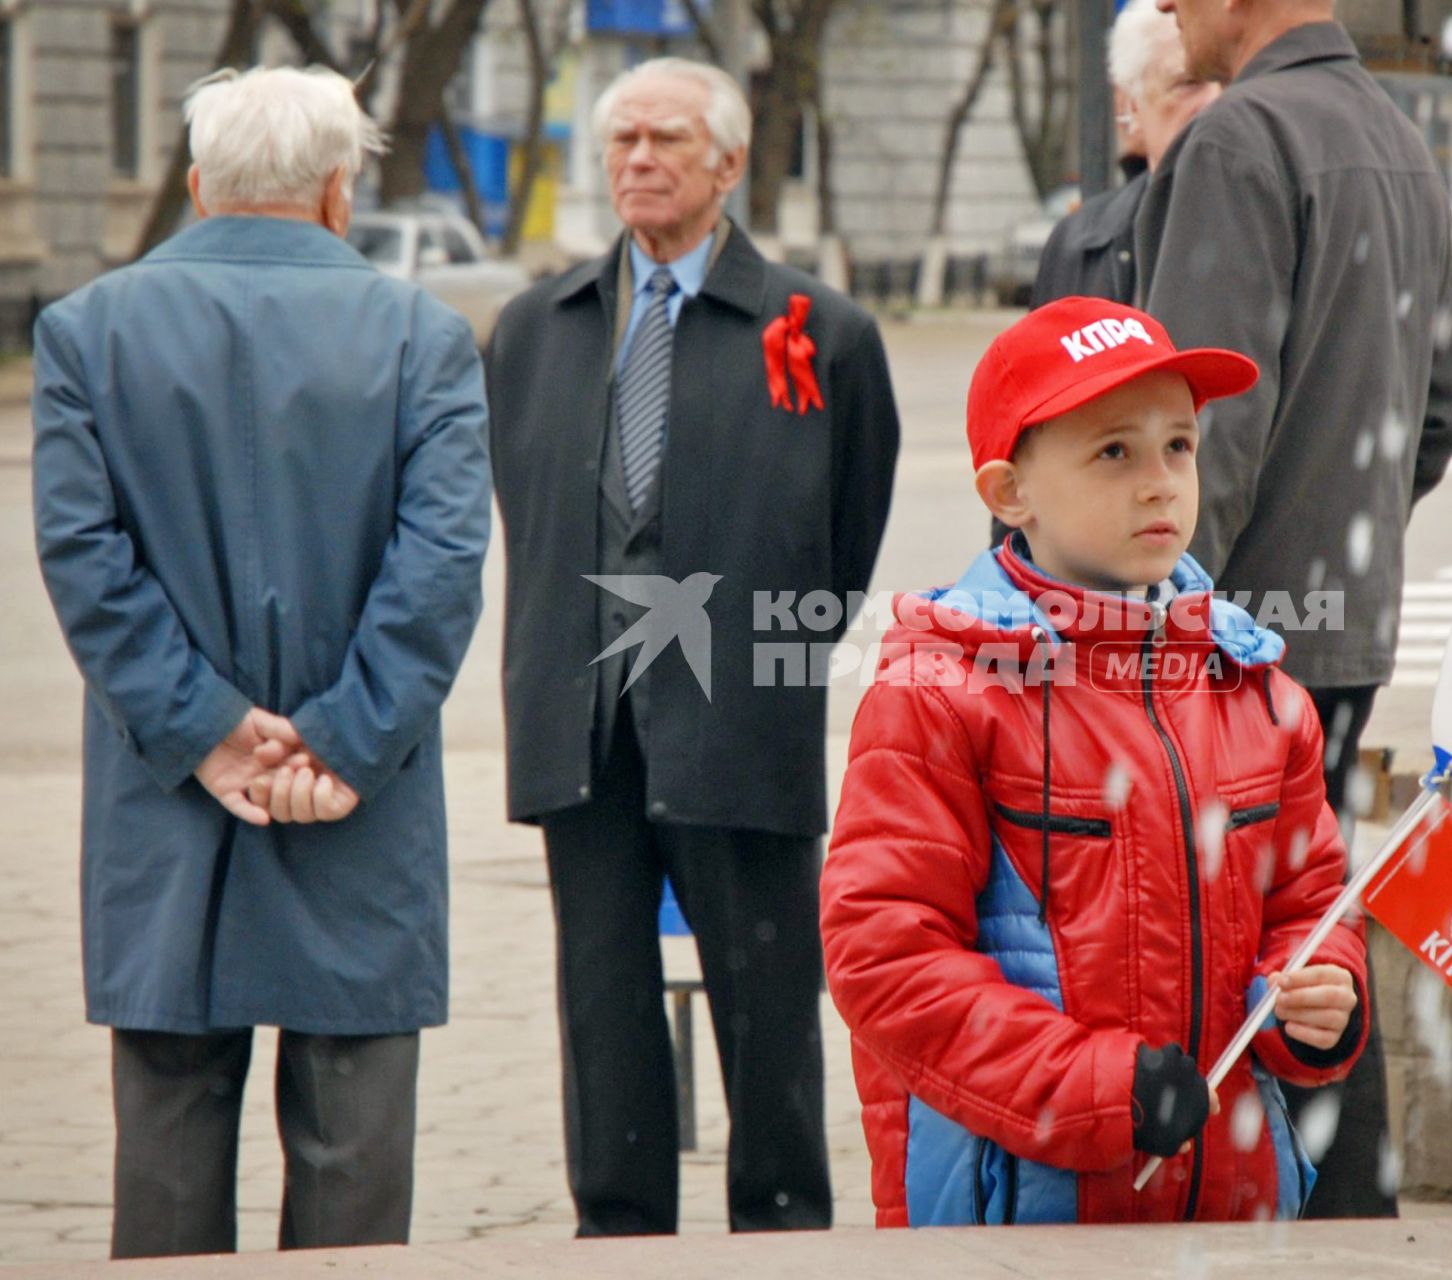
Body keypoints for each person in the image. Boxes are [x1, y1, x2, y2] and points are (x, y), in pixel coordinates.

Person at [31, 66, 491, 1258]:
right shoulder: (425, 339)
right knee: (352, 1136)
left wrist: (207, 727)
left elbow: (84, 559)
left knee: (169, 1128)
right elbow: (438, 567)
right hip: (358, 790)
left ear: (196, 185)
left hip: (167, 786)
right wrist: (339, 734)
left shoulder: (85, 333)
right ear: (341, 191)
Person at [821, 298, 1369, 1226]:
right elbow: (885, 955)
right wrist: (1094, 1090)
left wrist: (1322, 1001)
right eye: (1114, 452)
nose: (1160, 483)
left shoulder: (1255, 689)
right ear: (1009, 493)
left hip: (1231, 1206)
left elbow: (1311, 904)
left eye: (1179, 447)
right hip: (1020, 1216)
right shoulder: (944, 690)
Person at [485, 58, 900, 1236]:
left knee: (768, 1004)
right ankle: (619, 1231)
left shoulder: (826, 334)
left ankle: (779, 1228)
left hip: (739, 727)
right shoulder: (536, 329)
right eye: (620, 142)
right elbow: (534, 509)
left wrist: (769, 656)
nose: (639, 162)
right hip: (585, 727)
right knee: (603, 1005)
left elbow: (847, 536)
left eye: (667, 140)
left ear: (726, 164)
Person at [1135, 0, 1452, 1219]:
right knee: (1312, 914)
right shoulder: (1398, 136)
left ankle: (1282, 1200)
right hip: (1340, 622)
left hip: (1228, 637)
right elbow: (1433, 417)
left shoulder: (1237, 140)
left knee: (1224, 926)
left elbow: (1191, 444)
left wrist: (1158, 625)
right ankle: (1349, 1204)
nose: (1166, 8)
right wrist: (1340, 542)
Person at [1029, 0, 1220, 307]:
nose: (1215, 103)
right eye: (1188, 84)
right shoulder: (1079, 244)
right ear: (1130, 105)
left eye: (1228, 82)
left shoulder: (1270, 226)